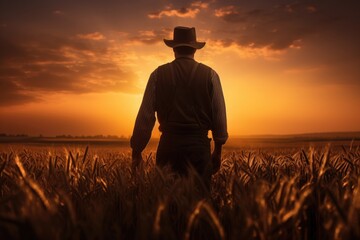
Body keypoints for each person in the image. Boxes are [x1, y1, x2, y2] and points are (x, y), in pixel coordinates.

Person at [130, 26, 228, 188]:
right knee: (198, 204)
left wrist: (137, 151)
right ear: (194, 50)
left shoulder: (157, 75)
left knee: (167, 204)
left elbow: (145, 116)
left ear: (174, 48)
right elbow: (219, 116)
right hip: (198, 148)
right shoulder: (211, 75)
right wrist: (217, 151)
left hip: (169, 146)